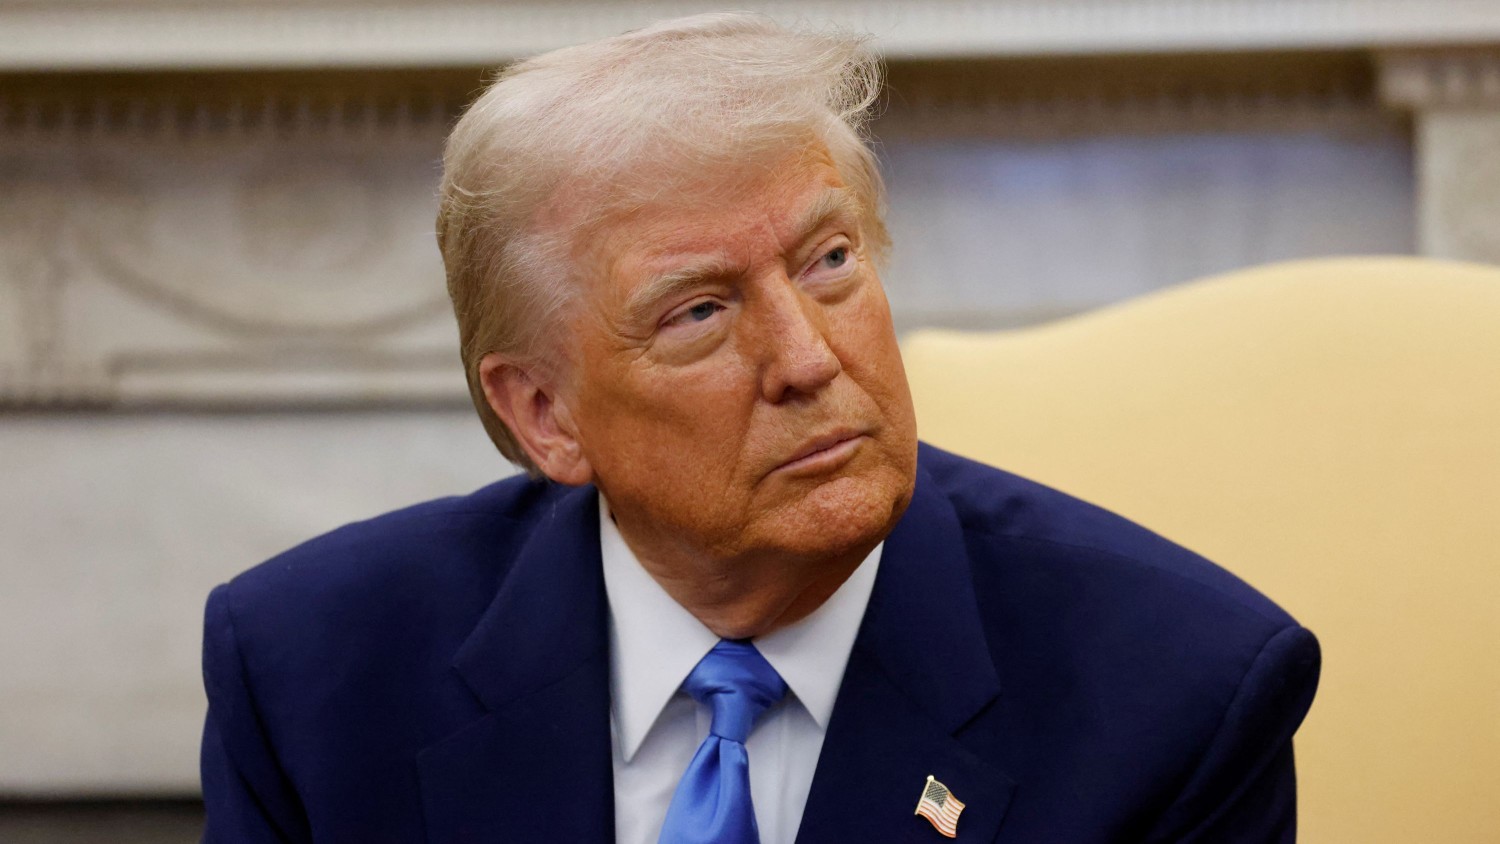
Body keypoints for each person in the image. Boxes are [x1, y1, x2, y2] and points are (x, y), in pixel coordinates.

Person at [199, 13, 1320, 843]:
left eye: (830, 261)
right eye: (700, 312)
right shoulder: (315, 676)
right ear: (545, 413)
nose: (808, 357)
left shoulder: (1179, 694)